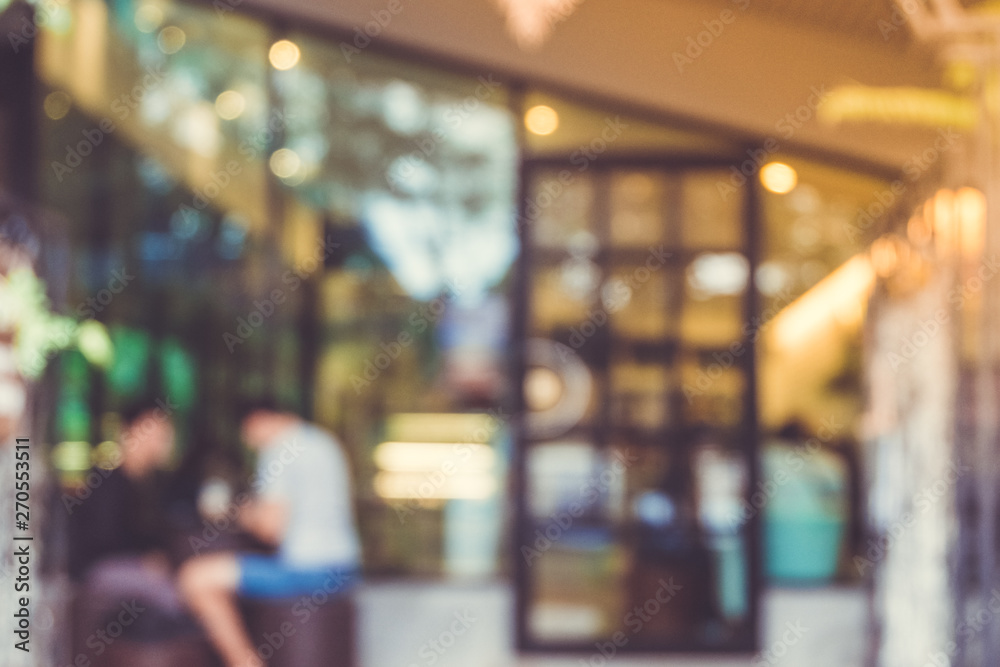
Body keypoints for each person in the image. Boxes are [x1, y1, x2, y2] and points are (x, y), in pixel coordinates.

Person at [179, 399, 361, 667]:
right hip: (345, 569)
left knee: (194, 578)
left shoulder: (279, 449)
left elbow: (270, 529)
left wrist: (233, 511)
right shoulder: (323, 441)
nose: (249, 443)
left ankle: (246, 663)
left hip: (308, 571)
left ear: (258, 420)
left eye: (247, 433)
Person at [68, 397, 189, 636]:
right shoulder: (106, 481)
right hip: (100, 570)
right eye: (158, 431)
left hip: (127, 566)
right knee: (178, 594)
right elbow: (100, 539)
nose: (165, 439)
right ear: (130, 431)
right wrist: (144, 559)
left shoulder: (152, 483)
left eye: (166, 432)